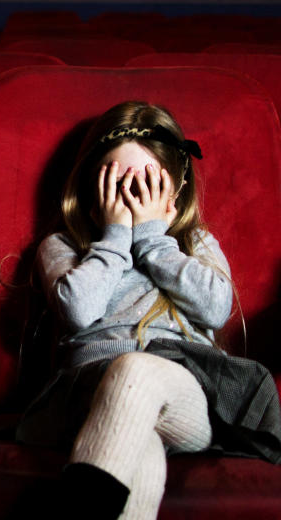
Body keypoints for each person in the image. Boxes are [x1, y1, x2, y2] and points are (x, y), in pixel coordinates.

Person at [15, 101, 281, 520]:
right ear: (92, 186)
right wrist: (116, 237)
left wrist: (155, 242)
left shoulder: (195, 243)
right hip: (89, 391)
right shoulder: (64, 247)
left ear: (174, 190)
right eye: (118, 182)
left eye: (147, 184)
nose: (132, 197)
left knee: (136, 370)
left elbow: (216, 308)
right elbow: (78, 311)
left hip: (183, 394)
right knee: (143, 454)